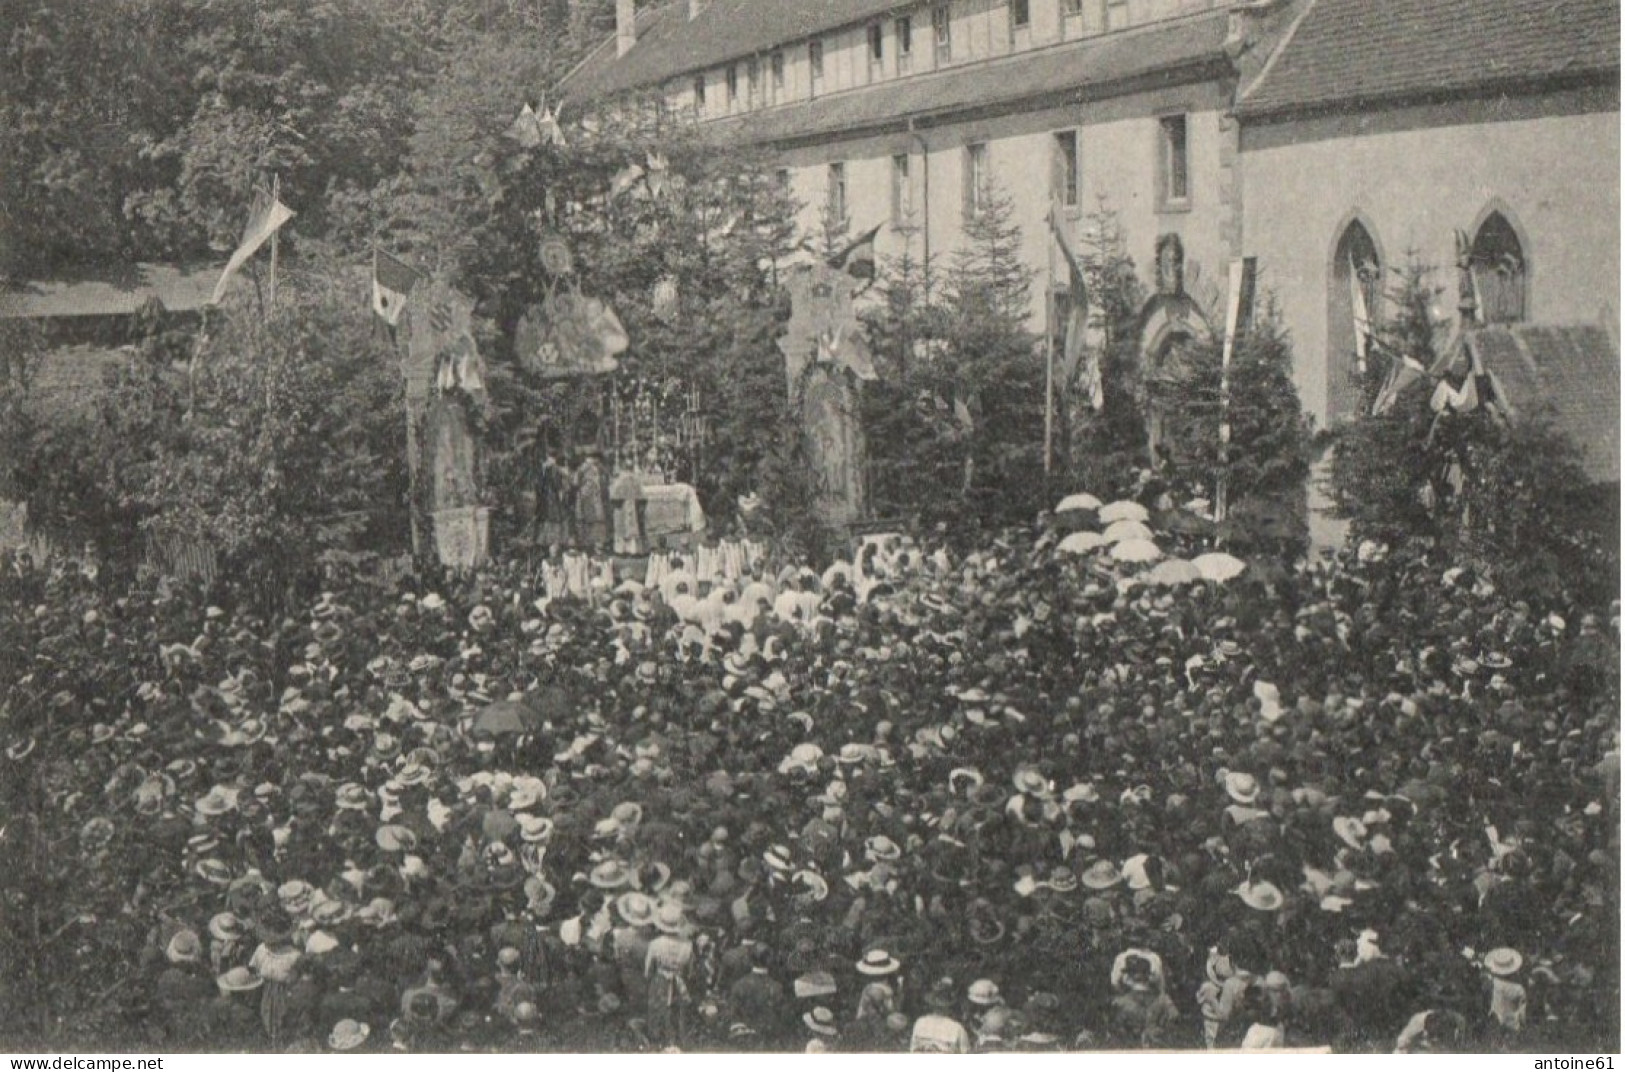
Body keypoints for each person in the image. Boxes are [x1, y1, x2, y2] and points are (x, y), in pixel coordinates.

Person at [644, 903, 696, 1051]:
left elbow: (648, 970)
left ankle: (658, 1041)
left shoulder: (655, 944)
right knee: (678, 1014)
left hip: (659, 982)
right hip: (679, 982)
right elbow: (690, 972)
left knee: (658, 1012)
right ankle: (677, 1042)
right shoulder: (688, 945)